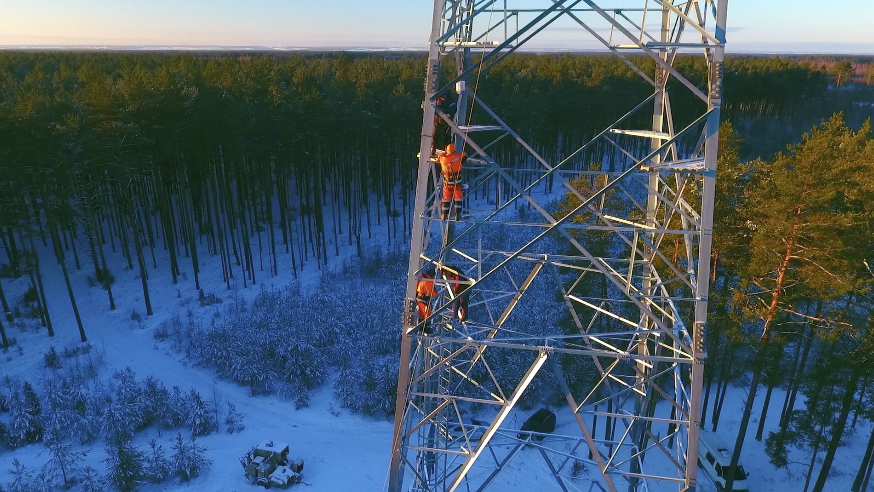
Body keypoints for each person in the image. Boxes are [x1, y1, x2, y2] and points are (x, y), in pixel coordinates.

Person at [438, 144, 466, 221]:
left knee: (446, 199)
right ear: (454, 150)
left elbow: (439, 157)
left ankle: (444, 215)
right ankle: (458, 214)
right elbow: (465, 156)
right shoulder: (459, 157)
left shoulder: (443, 159)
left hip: (448, 185)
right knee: (458, 198)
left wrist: (444, 154)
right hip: (457, 184)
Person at [415, 266, 438, 334]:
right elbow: (434, 294)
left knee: (422, 314)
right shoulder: (428, 282)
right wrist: (435, 291)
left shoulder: (423, 278)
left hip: (419, 298)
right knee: (426, 314)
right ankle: (424, 328)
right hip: (422, 300)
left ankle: (423, 327)